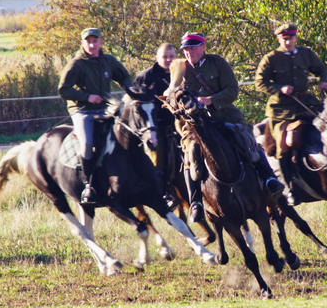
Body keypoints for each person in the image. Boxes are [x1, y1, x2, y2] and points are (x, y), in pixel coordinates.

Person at [175, 32, 285, 222]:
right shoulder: (180, 69)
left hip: (224, 116)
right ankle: (196, 203)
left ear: (203, 47)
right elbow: (174, 94)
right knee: (189, 154)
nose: (188, 52)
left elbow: (233, 90)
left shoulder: (217, 63)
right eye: (186, 49)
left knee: (246, 141)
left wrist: (210, 100)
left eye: (192, 48)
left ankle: (269, 180)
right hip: (197, 126)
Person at [58, 27, 139, 206]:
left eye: (95, 41)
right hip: (82, 111)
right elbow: (63, 90)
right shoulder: (76, 64)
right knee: (87, 143)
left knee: (129, 132)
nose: (92, 45)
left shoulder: (108, 61)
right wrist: (87, 97)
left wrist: (131, 92)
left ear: (101, 42)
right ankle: (88, 185)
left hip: (105, 108)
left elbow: (124, 77)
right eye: (88, 41)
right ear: (82, 43)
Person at [254, 23, 327, 205]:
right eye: (285, 39)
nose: (288, 42)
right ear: (279, 39)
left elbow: (321, 69)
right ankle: (289, 189)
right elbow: (259, 82)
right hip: (281, 109)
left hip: (305, 103)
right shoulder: (271, 58)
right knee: (283, 144)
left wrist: (323, 81)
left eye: (291, 38)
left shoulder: (306, 53)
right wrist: (279, 88)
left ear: (296, 37)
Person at [133, 43, 179, 210]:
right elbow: (136, 104)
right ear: (157, 58)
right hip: (155, 126)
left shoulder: (181, 73)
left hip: (179, 124)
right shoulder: (145, 77)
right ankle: (163, 193)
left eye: (171, 57)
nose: (168, 60)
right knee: (159, 159)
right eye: (164, 57)